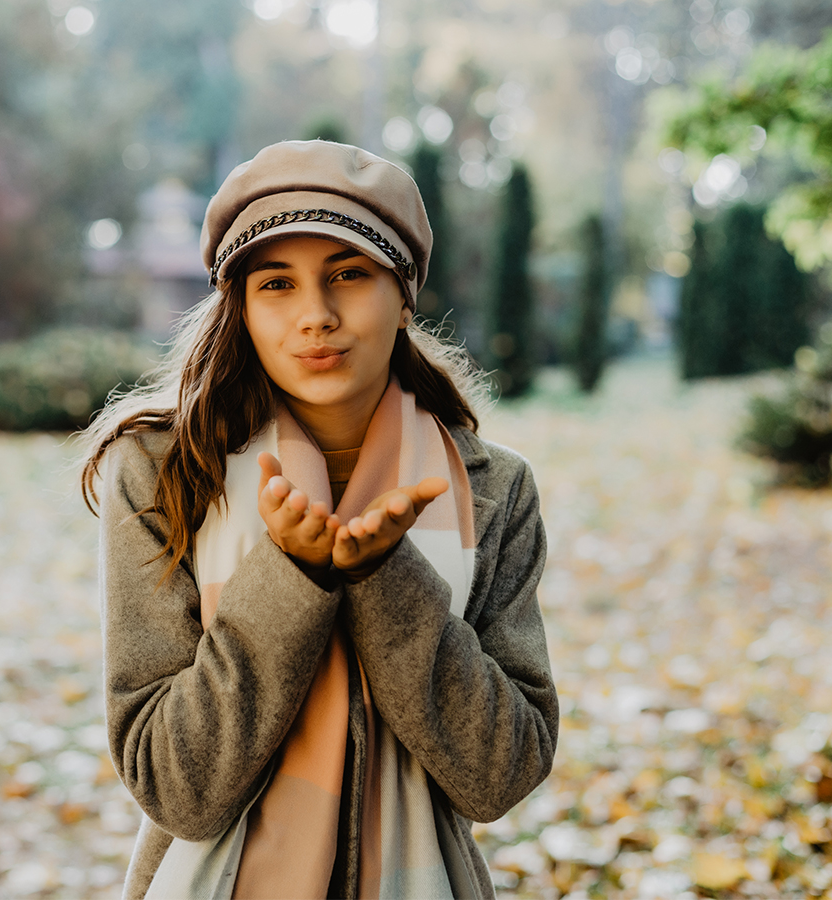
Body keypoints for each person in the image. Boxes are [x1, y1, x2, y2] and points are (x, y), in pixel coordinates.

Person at [81, 140, 558, 900]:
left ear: (403, 294)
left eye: (349, 274)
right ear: (240, 304)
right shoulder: (161, 475)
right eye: (277, 283)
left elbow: (498, 776)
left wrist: (386, 577)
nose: (317, 316)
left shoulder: (495, 489)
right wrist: (293, 574)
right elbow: (176, 786)